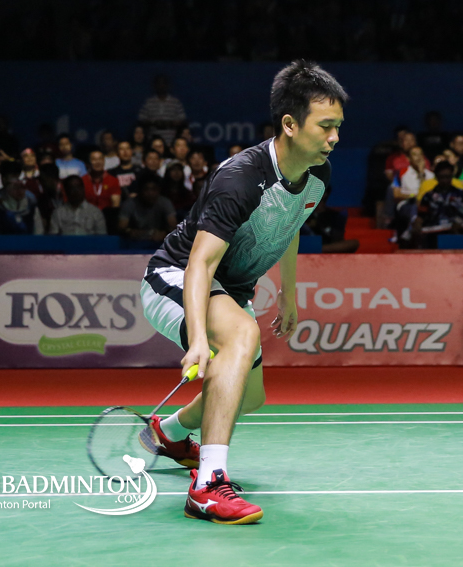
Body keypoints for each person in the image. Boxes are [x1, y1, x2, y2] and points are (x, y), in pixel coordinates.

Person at [137, 60, 345, 525]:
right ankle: (207, 486)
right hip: (176, 277)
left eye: (338, 127)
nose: (334, 138)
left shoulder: (318, 174)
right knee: (241, 335)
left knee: (249, 398)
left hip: (229, 292)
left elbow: (291, 221)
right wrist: (197, 338)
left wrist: (289, 292)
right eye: (325, 126)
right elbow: (200, 263)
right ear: (290, 124)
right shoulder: (240, 178)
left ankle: (168, 433)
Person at [119, 177, 177, 244]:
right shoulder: (129, 204)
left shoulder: (165, 203)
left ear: (159, 190)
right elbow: (121, 227)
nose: (150, 193)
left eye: (154, 189)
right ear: (140, 191)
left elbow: (173, 226)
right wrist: (130, 232)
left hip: (159, 243)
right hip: (133, 243)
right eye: (146, 189)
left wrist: (165, 234)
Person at [138, 74, 189, 143]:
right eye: (159, 83)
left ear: (167, 85)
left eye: (163, 83)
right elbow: (141, 119)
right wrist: (154, 123)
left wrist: (169, 123)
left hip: (171, 140)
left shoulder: (175, 102)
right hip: (153, 141)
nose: (161, 86)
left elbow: (182, 120)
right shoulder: (149, 102)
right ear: (155, 86)